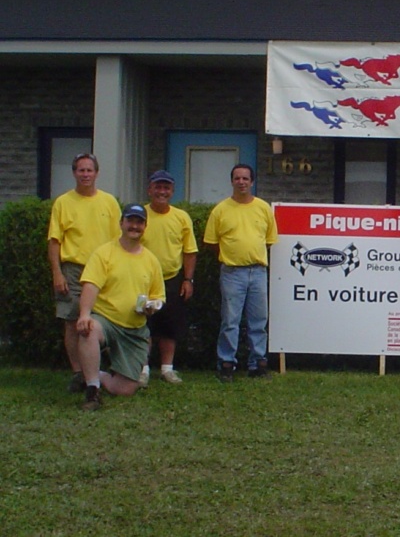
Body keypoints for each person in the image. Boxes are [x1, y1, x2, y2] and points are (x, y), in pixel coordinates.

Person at [76, 204, 166, 411]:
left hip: (134, 329)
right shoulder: (104, 253)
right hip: (106, 320)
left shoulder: (151, 260)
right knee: (88, 329)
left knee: (125, 389)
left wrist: (153, 307)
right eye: (130, 221)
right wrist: (84, 314)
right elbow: (91, 285)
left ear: (145, 226)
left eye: (139, 222)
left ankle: (94, 374)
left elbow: (158, 297)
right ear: (121, 223)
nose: (134, 226)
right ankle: (92, 391)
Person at [47, 153, 122, 394]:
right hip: (73, 270)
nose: (86, 174)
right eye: (81, 170)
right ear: (74, 173)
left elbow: (118, 240)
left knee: (105, 320)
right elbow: (55, 242)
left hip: (103, 269)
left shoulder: (109, 202)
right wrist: (57, 273)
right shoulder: (63, 203)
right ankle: (78, 373)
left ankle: (103, 370)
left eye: (90, 170)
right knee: (72, 322)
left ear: (97, 173)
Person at [204, 164, 279, 382]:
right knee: (230, 321)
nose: (241, 182)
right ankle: (226, 363)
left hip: (257, 272)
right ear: (232, 181)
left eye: (245, 178)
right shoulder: (220, 210)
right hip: (232, 272)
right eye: (237, 178)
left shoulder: (263, 208)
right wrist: (232, 257)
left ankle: (258, 363)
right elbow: (212, 242)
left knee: (259, 320)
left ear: (252, 182)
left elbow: (269, 240)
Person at [140, 170, 198, 386]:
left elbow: (190, 251)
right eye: (158, 187)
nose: (162, 191)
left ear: (172, 191)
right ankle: (142, 370)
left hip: (172, 279)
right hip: (142, 280)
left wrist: (188, 280)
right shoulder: (140, 215)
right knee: (143, 325)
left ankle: (167, 369)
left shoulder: (181, 217)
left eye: (166, 188)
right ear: (149, 190)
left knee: (169, 326)